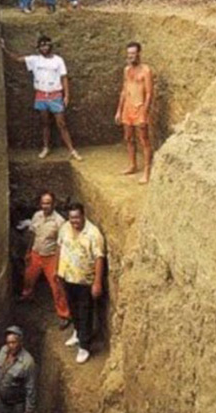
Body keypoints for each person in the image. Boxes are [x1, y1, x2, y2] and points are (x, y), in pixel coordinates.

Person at [1, 34, 82, 161]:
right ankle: (46, 147)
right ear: (38, 48)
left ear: (51, 46)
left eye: (46, 45)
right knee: (45, 123)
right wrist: (4, 48)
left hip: (55, 95)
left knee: (61, 123)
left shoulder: (58, 60)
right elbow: (17, 59)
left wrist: (66, 95)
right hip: (41, 95)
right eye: (42, 46)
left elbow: (64, 77)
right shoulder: (35, 60)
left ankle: (72, 150)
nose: (44, 48)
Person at [56, 202, 104, 365]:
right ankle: (77, 332)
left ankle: (84, 346)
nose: (74, 221)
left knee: (85, 312)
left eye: (77, 217)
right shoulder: (65, 228)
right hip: (68, 276)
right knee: (73, 307)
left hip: (84, 281)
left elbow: (99, 258)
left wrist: (97, 282)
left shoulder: (93, 234)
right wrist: (57, 270)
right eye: (71, 218)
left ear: (83, 215)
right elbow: (59, 247)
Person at [17, 191, 71, 328]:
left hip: (51, 257)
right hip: (36, 254)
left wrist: (59, 263)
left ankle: (64, 314)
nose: (45, 206)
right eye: (43, 203)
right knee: (28, 277)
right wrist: (28, 251)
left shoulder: (60, 222)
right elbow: (33, 235)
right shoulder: (37, 216)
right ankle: (27, 296)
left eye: (48, 203)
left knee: (56, 286)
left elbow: (62, 244)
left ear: (54, 204)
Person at [114, 41, 154, 184]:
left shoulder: (146, 71)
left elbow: (149, 93)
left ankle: (147, 172)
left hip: (140, 107)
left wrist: (145, 112)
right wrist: (119, 110)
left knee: (144, 140)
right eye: (129, 53)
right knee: (129, 138)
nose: (131, 56)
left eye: (133, 53)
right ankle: (132, 165)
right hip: (128, 108)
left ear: (139, 53)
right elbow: (124, 91)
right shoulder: (126, 70)